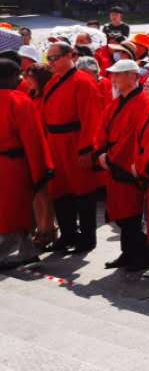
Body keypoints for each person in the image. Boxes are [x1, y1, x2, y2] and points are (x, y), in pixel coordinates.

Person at [39, 40, 103, 255]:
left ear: (70, 56)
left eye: (55, 58)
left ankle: (87, 238)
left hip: (75, 141)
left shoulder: (83, 82)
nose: (51, 63)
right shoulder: (52, 82)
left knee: (83, 191)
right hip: (56, 141)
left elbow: (91, 118)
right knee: (60, 191)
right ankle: (68, 235)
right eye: (49, 58)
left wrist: (86, 148)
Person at [96, 59, 149, 272]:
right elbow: (102, 128)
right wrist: (101, 152)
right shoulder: (117, 102)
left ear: (132, 76)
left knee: (133, 214)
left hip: (128, 165)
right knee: (120, 213)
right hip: (113, 162)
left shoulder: (143, 101)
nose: (114, 79)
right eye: (113, 75)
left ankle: (142, 256)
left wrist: (112, 157)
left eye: (118, 74)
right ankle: (128, 253)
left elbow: (134, 136)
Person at [0, 57, 53, 271]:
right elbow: (32, 139)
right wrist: (41, 170)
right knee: (15, 210)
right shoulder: (19, 101)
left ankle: (22, 250)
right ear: (11, 77)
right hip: (13, 166)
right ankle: (15, 252)